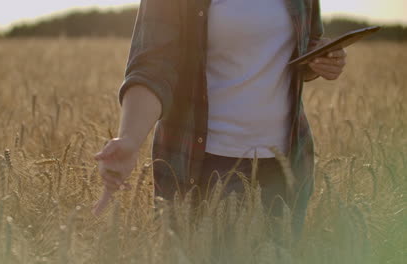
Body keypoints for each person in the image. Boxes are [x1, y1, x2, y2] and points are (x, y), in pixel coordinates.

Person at [94, 0, 347, 239]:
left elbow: (304, 45)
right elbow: (152, 67)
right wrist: (129, 138)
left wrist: (322, 60)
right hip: (205, 168)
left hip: (285, 166)